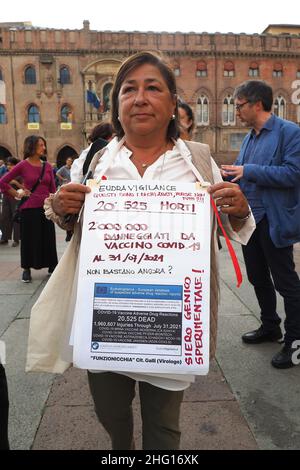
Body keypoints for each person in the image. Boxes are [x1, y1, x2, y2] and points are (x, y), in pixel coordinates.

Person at [44, 52, 255, 450]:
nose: (139, 98)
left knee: (164, 425)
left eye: (153, 88)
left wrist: (240, 209)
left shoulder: (198, 160)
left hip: (171, 321)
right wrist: (61, 208)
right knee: (111, 412)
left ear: (173, 103)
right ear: (117, 104)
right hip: (106, 319)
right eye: (129, 89)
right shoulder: (95, 161)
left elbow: (231, 225)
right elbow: (68, 218)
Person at [221, 80, 300, 369]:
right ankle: (271, 326)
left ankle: (295, 341)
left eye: (239, 105)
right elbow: (245, 175)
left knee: (286, 282)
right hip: (250, 220)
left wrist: (248, 170)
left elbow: (293, 173)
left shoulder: (289, 133)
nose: (236, 110)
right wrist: (226, 174)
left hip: (274, 219)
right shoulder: (249, 138)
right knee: (257, 276)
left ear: (257, 104)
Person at [0, 135, 58, 283]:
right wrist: (15, 194)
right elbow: (3, 181)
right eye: (40, 145)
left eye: (44, 145)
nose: (43, 148)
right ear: (31, 146)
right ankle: (26, 269)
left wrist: (55, 204)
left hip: (46, 208)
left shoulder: (48, 166)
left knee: (48, 237)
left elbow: (52, 188)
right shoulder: (22, 165)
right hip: (29, 208)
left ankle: (52, 266)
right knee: (28, 239)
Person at [0, 157, 22, 246]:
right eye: (8, 165)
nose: (9, 167)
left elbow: (24, 187)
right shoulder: (5, 174)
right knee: (4, 217)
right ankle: (5, 238)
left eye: (11, 165)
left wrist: (15, 183)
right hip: (5, 197)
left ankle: (16, 239)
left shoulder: (20, 175)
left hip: (15, 198)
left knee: (15, 218)